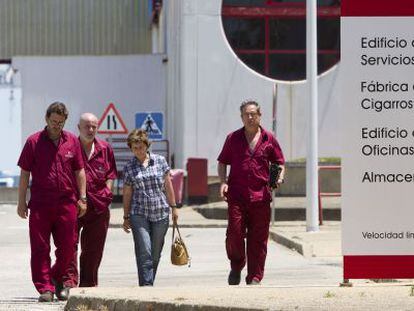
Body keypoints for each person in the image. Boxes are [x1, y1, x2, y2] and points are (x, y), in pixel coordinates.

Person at [17, 102, 87, 302]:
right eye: (54, 121)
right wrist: (21, 202)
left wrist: (83, 198)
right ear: (46, 119)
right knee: (40, 247)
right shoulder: (33, 142)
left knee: (68, 245)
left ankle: (57, 278)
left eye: (61, 122)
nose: (57, 125)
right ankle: (45, 288)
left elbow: (80, 170)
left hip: (67, 202)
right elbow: (24, 173)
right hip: (40, 203)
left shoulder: (72, 141)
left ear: (65, 121)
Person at [217, 100, 285, 286]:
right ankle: (237, 265)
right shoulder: (233, 138)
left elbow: (279, 162)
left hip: (261, 197)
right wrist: (223, 182)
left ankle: (255, 276)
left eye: (253, 113)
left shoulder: (268, 139)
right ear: (241, 117)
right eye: (246, 114)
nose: (250, 117)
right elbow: (223, 162)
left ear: (259, 115)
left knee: (258, 239)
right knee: (235, 234)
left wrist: (278, 177)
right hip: (237, 196)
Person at [63, 113, 117, 288]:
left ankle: (88, 284)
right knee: (69, 244)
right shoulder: (69, 148)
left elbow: (111, 174)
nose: (91, 129)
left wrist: (107, 193)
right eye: (87, 126)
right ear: (78, 127)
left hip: (99, 206)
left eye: (94, 126)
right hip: (73, 204)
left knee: (93, 248)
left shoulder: (105, 148)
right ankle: (69, 282)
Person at [122, 129, 178, 286]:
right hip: (139, 214)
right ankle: (147, 286)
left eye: (140, 147)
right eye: (134, 148)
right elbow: (127, 193)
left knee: (155, 254)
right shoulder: (129, 167)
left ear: (147, 145)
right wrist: (126, 216)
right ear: (131, 149)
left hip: (160, 213)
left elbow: (168, 185)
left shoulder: (160, 161)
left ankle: (147, 284)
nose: (138, 151)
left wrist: (174, 208)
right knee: (144, 251)